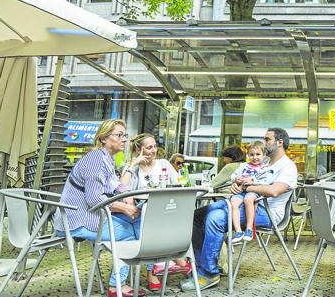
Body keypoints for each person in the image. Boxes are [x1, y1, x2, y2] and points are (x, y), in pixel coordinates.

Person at [181, 128, 298, 291]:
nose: (264, 143)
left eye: (267, 139)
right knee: (198, 215)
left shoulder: (288, 166)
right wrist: (236, 185)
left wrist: (249, 186)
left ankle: (209, 274)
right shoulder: (263, 162)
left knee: (215, 219)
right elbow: (242, 178)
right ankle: (202, 266)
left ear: (280, 142)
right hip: (244, 202)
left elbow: (274, 191)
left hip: (266, 211)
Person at [55, 119, 145, 297]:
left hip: (92, 215)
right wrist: (125, 208)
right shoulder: (96, 159)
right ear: (103, 138)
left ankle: (151, 265)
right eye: (119, 135)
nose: (124, 139)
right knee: (128, 232)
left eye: (124, 135)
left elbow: (117, 187)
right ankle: (117, 285)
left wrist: (130, 199)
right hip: (77, 220)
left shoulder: (106, 159)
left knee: (140, 220)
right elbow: (94, 199)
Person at [120, 133, 189, 291]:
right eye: (149, 147)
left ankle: (159, 267)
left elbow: (179, 184)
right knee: (149, 222)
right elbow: (122, 189)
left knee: (162, 222)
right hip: (143, 211)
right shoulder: (133, 166)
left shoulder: (163, 163)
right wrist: (134, 163)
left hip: (166, 209)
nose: (153, 150)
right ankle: (168, 263)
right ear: (139, 149)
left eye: (154, 146)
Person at [229, 141, 274, 243]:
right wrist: (237, 179)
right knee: (233, 203)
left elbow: (267, 181)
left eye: (258, 154)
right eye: (252, 155)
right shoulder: (243, 166)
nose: (255, 157)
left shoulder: (265, 168)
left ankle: (249, 228)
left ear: (264, 155)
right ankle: (238, 231)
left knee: (248, 200)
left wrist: (253, 181)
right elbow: (232, 176)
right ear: (248, 155)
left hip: (254, 190)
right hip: (241, 190)